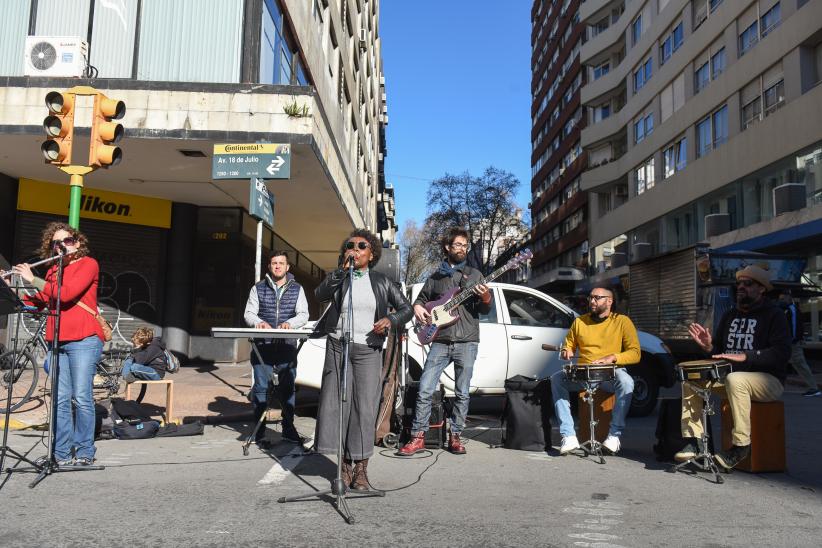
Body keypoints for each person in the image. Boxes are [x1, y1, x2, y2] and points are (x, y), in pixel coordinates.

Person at [314, 229, 412, 490]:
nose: (355, 250)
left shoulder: (381, 281)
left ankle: (361, 469)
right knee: (337, 406)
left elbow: (407, 309)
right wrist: (339, 272)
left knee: (364, 408)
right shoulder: (338, 278)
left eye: (361, 246)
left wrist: (390, 320)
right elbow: (319, 294)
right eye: (350, 246)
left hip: (368, 350)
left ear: (372, 254)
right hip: (338, 347)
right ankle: (343, 468)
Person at [676, 265, 791, 470]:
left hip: (768, 381)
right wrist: (708, 346)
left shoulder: (775, 315)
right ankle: (694, 441)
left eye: (747, 284)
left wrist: (746, 356)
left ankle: (740, 446)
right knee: (691, 378)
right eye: (739, 283)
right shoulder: (730, 316)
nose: (741, 287)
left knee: (735, 379)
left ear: (761, 289)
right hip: (733, 381)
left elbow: (781, 354)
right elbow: (719, 352)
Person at [9, 222, 105, 466]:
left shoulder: (88, 264)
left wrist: (33, 279)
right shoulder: (53, 270)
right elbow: (40, 301)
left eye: (68, 240)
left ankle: (85, 452)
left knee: (81, 397)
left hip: (84, 339)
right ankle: (61, 453)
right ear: (51, 248)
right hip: (58, 340)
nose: (62, 245)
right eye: (56, 243)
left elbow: (67, 293)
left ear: (78, 242)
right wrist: (13, 286)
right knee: (61, 399)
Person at [398, 227, 492, 457]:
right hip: (439, 339)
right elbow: (420, 300)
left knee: (462, 392)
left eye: (464, 245)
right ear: (447, 248)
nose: (462, 248)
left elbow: (485, 308)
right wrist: (418, 307)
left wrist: (486, 297)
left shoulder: (475, 275)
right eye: (457, 244)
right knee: (425, 389)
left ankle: (456, 436)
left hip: (467, 340)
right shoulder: (435, 277)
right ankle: (417, 437)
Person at [551, 284, 640, 456]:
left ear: (609, 301)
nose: (592, 301)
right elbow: (568, 345)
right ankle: (568, 436)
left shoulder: (622, 321)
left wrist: (613, 357)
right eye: (590, 297)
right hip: (584, 374)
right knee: (557, 379)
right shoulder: (579, 322)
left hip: (610, 374)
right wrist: (566, 351)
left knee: (627, 381)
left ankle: (614, 436)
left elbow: (635, 353)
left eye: (597, 298)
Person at [243, 250, 309, 446]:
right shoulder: (258, 288)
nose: (278, 266)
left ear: (287, 267)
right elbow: (249, 313)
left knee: (287, 389)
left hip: (287, 346)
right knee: (261, 389)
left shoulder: (297, 289)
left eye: (281, 263)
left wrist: (291, 323)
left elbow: (303, 314)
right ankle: (259, 433)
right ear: (269, 266)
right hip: (263, 346)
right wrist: (259, 323)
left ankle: (289, 431)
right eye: (274, 263)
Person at [778, 289, 820, 397]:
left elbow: (794, 327)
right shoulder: (788, 309)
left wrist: (793, 339)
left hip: (792, 344)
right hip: (787, 343)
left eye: (783, 299)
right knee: (780, 364)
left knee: (800, 365)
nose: (781, 301)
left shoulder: (792, 310)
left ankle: (813, 388)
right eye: (780, 299)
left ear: (789, 297)